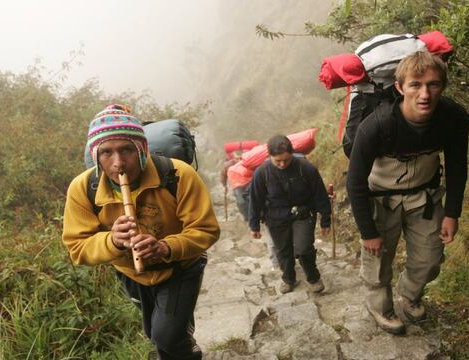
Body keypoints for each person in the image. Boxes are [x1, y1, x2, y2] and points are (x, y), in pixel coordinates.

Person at [62, 104, 220, 359]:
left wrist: (165, 247)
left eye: (126, 149)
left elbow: (206, 229)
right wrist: (112, 241)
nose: (118, 163)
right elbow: (77, 249)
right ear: (95, 155)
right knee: (155, 333)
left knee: (166, 334)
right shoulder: (83, 189)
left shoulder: (178, 174)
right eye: (106, 153)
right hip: (130, 274)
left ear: (142, 148)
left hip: (181, 267)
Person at [346, 51, 469, 334]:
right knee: (377, 259)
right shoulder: (376, 125)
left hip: (424, 198)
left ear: (443, 86)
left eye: (433, 84)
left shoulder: (452, 118)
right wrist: (367, 232)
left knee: (429, 259)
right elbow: (355, 182)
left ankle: (410, 295)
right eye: (416, 84)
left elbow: (457, 167)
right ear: (400, 88)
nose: (424, 93)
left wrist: (452, 214)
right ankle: (379, 305)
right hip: (380, 199)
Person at [248, 135, 331, 294]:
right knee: (283, 250)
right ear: (270, 156)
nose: (282, 164)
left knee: (304, 247)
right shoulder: (262, 173)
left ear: (292, 154)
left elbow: (319, 194)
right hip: (275, 217)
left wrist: (325, 220)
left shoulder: (306, 168)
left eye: (286, 160)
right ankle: (288, 278)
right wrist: (254, 225)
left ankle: (313, 278)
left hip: (303, 213)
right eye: (277, 161)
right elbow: (255, 199)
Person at [220, 151, 250, 221]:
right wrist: (224, 186)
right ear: (233, 157)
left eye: (240, 158)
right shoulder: (228, 165)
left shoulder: (247, 162)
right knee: (241, 201)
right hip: (236, 185)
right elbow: (223, 176)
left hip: (248, 183)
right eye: (237, 158)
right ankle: (246, 217)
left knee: (251, 199)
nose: (239, 160)